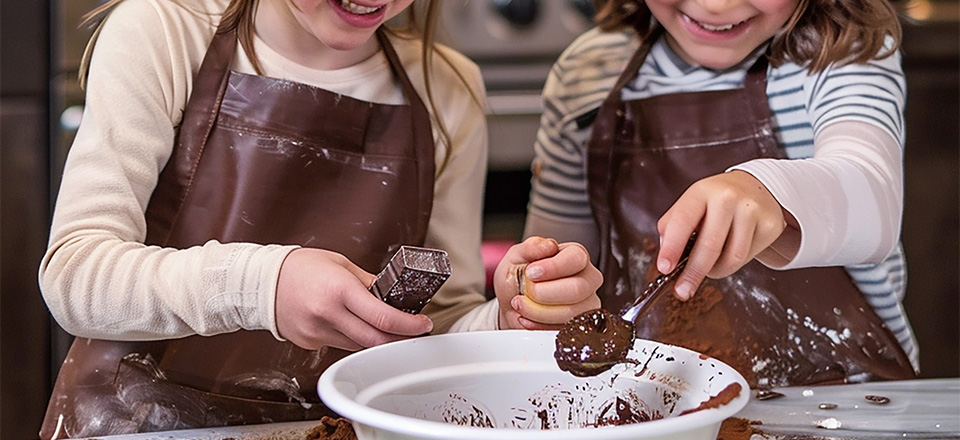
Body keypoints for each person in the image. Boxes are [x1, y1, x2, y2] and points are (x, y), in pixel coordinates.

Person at [37, 0, 601, 437]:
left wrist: (504, 321)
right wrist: (265, 285)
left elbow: (434, 322)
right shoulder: (166, 30)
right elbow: (75, 274)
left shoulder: (446, 88)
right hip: (135, 424)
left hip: (328, 430)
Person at [523, 0, 919, 388]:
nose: (715, 5)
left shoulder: (841, 50)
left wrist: (767, 191)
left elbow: (874, 204)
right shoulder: (588, 73)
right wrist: (537, 296)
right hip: (651, 402)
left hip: (849, 398)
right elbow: (555, 266)